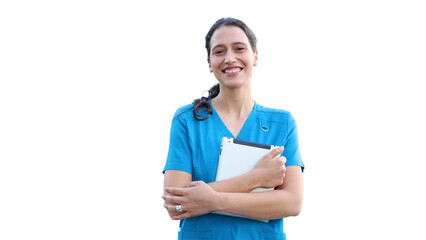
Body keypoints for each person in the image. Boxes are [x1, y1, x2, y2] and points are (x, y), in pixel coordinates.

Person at [162, 17, 304, 240]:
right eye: (219, 51)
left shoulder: (282, 123)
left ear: (255, 56)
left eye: (239, 48)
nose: (230, 58)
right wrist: (255, 178)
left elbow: (292, 202)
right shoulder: (187, 120)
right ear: (209, 62)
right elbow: (176, 205)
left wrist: (211, 200)